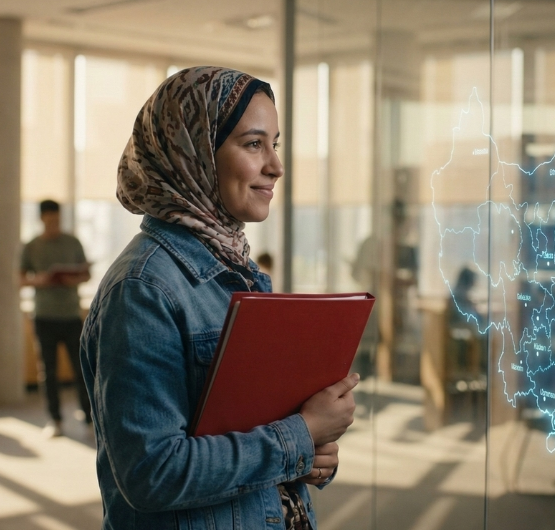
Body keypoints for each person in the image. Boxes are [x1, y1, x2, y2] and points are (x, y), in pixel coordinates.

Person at [81, 67, 359, 530]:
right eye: (254, 144)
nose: (276, 165)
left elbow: (253, 430)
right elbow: (152, 474)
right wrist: (301, 435)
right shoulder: (143, 290)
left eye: (276, 143)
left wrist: (308, 452)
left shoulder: (241, 273)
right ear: (193, 153)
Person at [21, 199, 92, 438]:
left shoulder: (73, 243)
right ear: (41, 219)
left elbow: (86, 273)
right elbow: (20, 279)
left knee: (81, 368)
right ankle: (55, 420)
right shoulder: (31, 246)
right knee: (48, 372)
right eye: (50, 220)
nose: (54, 224)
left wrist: (76, 278)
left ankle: (89, 418)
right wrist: (38, 280)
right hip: (44, 316)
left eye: (58, 220)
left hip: (71, 314)